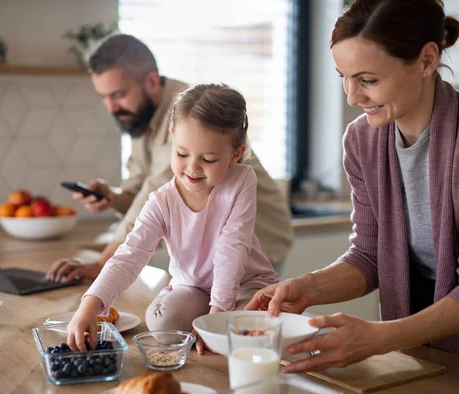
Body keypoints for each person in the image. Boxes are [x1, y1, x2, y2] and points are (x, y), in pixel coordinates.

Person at [246, 0, 459, 371]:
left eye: (368, 80)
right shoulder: (361, 141)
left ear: (426, 61)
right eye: (344, 77)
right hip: (414, 343)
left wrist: (378, 338)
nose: (352, 97)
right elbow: (370, 255)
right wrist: (307, 288)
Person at [46, 34, 293, 282]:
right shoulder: (141, 114)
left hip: (258, 240)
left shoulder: (188, 113)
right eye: (104, 97)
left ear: (152, 81)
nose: (111, 107)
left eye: (118, 94)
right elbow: (141, 189)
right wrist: (111, 197)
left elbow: (154, 189)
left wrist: (102, 263)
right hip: (209, 247)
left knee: (233, 319)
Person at [66, 83, 279, 354]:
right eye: (182, 153)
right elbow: (130, 255)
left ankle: (214, 320)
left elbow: (232, 247)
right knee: (163, 323)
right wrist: (89, 305)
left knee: (257, 327)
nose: (192, 168)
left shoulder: (242, 180)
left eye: (209, 159)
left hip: (245, 285)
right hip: (194, 288)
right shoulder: (161, 201)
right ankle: (197, 312)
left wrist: (217, 315)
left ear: (235, 155)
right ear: (172, 137)